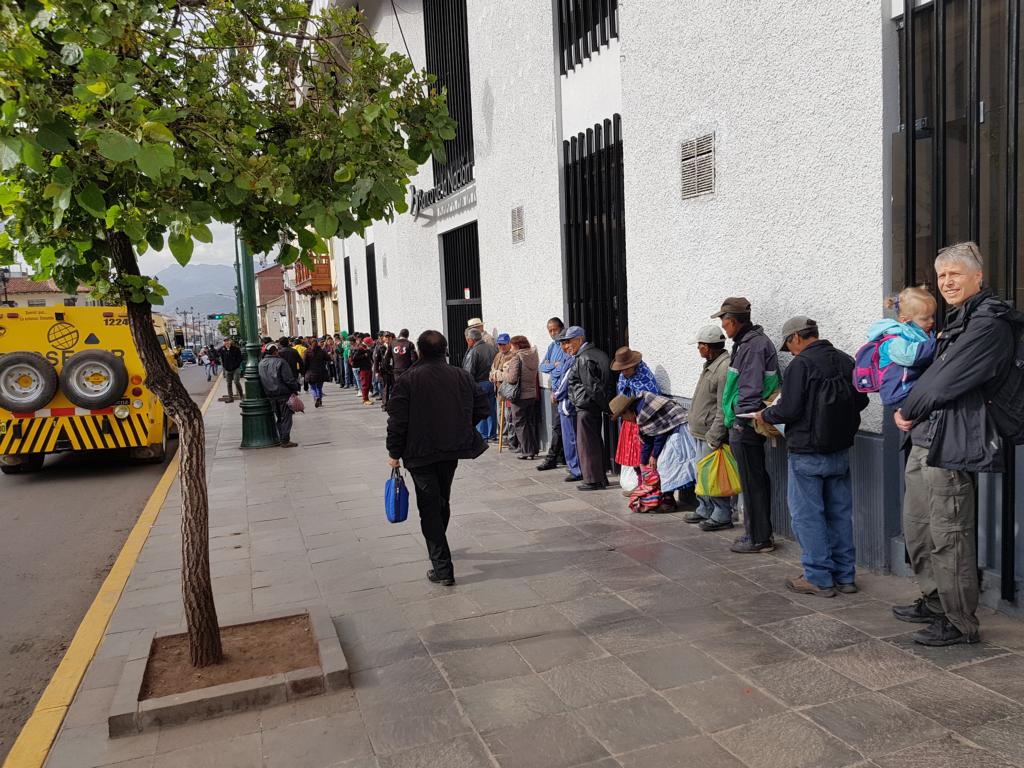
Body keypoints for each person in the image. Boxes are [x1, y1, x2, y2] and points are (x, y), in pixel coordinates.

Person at [893, 242, 1020, 646]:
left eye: (956, 274)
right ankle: (934, 600)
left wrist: (908, 409)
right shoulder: (958, 318)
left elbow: (946, 378)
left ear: (978, 277)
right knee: (919, 528)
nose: (947, 281)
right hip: (926, 438)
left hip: (950, 443)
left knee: (950, 534)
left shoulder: (989, 322)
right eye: (942, 275)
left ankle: (959, 621)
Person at [753, 317, 868, 598]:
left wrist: (764, 414)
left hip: (807, 452)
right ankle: (845, 576)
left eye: (789, 345)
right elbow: (862, 399)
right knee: (840, 514)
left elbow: (789, 409)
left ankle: (818, 577)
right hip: (840, 449)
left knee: (808, 517)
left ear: (796, 338)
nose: (790, 351)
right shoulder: (843, 360)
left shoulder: (801, 364)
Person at [386, 330, 491, 587]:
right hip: (449, 449)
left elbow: (397, 420)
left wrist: (394, 452)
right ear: (445, 350)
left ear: (419, 351)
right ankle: (440, 551)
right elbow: (482, 407)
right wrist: (460, 426)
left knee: (431, 506)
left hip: (420, 452)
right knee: (441, 500)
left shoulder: (408, 379)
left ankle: (442, 567)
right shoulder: (460, 376)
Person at [714, 297, 780, 554]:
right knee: (754, 480)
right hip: (745, 421)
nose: (722, 327)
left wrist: (740, 420)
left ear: (732, 321)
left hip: (747, 423)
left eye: (723, 321)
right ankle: (758, 534)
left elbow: (750, 389)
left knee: (753, 482)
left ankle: (759, 538)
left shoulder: (753, 346)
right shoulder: (747, 343)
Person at [685, 325, 735, 531]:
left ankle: (722, 513)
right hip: (700, 430)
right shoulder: (711, 364)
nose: (698, 349)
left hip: (711, 433)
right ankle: (705, 507)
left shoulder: (723, 368)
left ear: (709, 347)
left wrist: (715, 434)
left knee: (714, 475)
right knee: (702, 474)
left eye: (700, 345)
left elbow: (724, 405)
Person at [610, 391, 688, 512]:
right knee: (654, 464)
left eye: (622, 417)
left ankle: (668, 501)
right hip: (668, 429)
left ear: (627, 411)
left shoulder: (644, 411)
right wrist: (643, 461)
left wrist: (654, 456)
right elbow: (648, 440)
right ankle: (663, 498)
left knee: (664, 462)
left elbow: (660, 433)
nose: (624, 420)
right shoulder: (639, 414)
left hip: (679, 424)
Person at [863, 286, 937, 406]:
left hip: (911, 389)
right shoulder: (894, 339)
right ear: (905, 320)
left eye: (932, 316)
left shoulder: (919, 335)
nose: (932, 321)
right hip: (900, 392)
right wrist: (936, 342)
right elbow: (909, 356)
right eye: (925, 318)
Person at [560, 326, 613, 491]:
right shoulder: (594, 353)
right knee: (594, 442)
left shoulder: (584, 358)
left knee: (587, 444)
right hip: (591, 406)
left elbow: (592, 387)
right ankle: (599, 477)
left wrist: (608, 407)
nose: (567, 345)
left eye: (569, 341)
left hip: (586, 407)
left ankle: (592, 479)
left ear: (579, 340)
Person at [610, 346, 660, 490]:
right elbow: (621, 396)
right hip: (629, 419)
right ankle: (634, 482)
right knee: (631, 453)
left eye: (627, 368)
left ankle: (646, 483)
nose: (624, 372)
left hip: (644, 420)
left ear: (634, 365)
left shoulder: (645, 377)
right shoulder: (623, 377)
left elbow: (651, 399)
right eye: (621, 369)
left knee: (643, 452)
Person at [537, 317, 570, 471]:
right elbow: (542, 366)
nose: (552, 333)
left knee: (558, 426)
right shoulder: (552, 347)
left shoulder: (566, 345)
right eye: (549, 331)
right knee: (559, 426)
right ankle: (562, 456)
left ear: (562, 328)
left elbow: (565, 369)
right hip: (554, 390)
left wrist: (555, 368)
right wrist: (553, 366)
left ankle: (552, 458)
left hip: (564, 392)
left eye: (554, 330)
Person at [503, 335, 540, 459]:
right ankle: (533, 449)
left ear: (517, 346)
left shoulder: (517, 358)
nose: (511, 348)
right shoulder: (533, 355)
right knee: (529, 422)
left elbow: (512, 379)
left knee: (519, 423)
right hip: (531, 393)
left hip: (519, 395)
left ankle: (527, 451)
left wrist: (504, 372)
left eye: (512, 346)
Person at [258, 344, 300, 447]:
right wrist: (296, 387)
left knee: (279, 417)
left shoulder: (261, 363)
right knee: (286, 417)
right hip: (283, 394)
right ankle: (285, 440)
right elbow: (288, 379)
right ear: (275, 352)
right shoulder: (281, 362)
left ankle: (282, 437)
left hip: (270, 394)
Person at [463, 327, 498, 440]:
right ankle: (491, 433)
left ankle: (482, 435)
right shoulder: (492, 348)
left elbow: (469, 371)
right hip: (492, 382)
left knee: (479, 409)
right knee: (491, 409)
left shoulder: (473, 351)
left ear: (470, 340)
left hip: (479, 383)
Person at [491, 333, 518, 449]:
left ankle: (509, 438)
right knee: (499, 415)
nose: (501, 346)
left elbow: (506, 374)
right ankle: (503, 435)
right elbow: (493, 369)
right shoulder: (498, 355)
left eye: (503, 344)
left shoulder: (512, 356)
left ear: (509, 344)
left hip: (507, 391)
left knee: (508, 416)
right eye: (499, 344)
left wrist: (497, 374)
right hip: (498, 391)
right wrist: (492, 375)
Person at [303, 338, 330, 408]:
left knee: (312, 388)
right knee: (319, 388)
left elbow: (304, 363)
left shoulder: (307, 351)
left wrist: (304, 371)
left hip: (311, 373)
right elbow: (328, 358)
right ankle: (320, 401)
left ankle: (316, 397)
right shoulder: (322, 351)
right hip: (321, 372)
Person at [350, 335, 375, 405]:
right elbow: (355, 358)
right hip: (363, 369)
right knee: (365, 384)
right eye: (370, 343)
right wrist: (364, 355)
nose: (372, 344)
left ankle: (366, 399)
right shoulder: (360, 349)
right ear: (367, 343)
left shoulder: (365, 348)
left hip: (368, 368)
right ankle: (365, 399)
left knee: (368, 384)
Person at [220, 337, 244, 403]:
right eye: (225, 341)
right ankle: (230, 398)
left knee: (236, 382)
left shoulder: (235, 349)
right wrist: (225, 367)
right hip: (228, 369)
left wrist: (236, 365)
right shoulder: (222, 349)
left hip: (236, 368)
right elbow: (222, 359)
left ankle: (241, 396)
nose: (226, 342)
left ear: (230, 341)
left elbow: (240, 358)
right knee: (228, 383)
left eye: (227, 341)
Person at [378, 331, 397, 409]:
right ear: (383, 338)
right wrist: (376, 371)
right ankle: (385, 404)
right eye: (386, 337)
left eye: (389, 337)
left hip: (393, 370)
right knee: (386, 387)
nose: (387, 339)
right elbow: (376, 360)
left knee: (395, 387)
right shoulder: (381, 347)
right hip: (385, 370)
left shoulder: (394, 347)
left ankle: (394, 404)